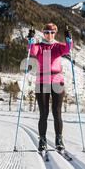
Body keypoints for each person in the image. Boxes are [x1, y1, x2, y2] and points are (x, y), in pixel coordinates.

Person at [27, 23, 73, 152]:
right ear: (43, 33)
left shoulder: (58, 46)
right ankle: (42, 140)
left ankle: (59, 140)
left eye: (52, 32)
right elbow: (31, 50)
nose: (49, 35)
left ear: (55, 33)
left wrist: (69, 38)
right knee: (44, 113)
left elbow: (68, 49)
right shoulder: (39, 47)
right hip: (42, 81)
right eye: (47, 32)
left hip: (57, 81)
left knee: (57, 112)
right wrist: (31, 40)